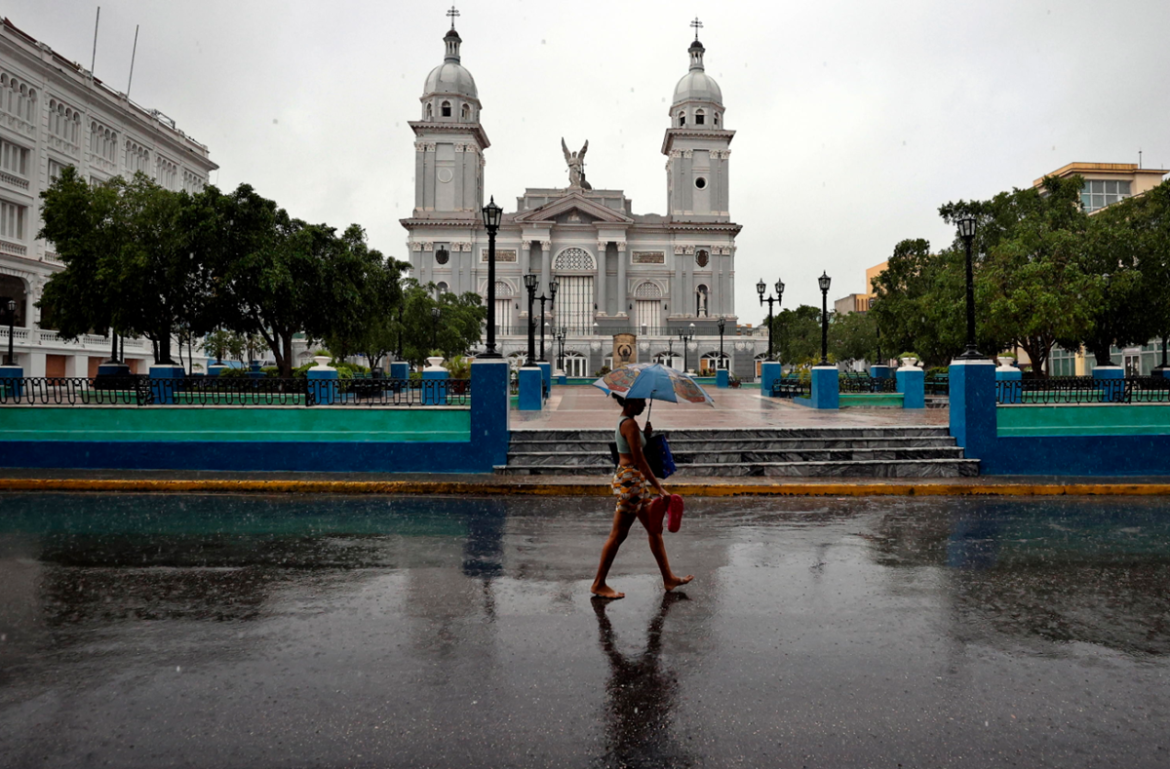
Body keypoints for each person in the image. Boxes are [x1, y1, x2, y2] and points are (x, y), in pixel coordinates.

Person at [591, 394, 693, 599]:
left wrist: (645, 435)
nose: (644, 404)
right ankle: (599, 583)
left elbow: (636, 450)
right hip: (631, 481)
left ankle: (668, 578)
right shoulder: (628, 424)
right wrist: (659, 488)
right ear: (629, 402)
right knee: (618, 535)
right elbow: (639, 460)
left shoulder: (630, 424)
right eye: (640, 401)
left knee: (654, 530)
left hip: (634, 481)